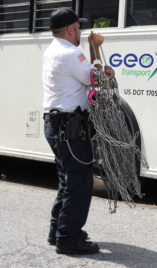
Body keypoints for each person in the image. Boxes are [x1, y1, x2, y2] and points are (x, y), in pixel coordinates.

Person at [43, 7, 103, 254]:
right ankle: (68, 238)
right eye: (79, 27)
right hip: (71, 127)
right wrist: (95, 48)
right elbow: (96, 78)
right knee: (79, 181)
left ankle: (58, 230)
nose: (82, 31)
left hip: (57, 125)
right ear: (71, 29)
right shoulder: (70, 53)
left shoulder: (52, 49)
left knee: (67, 180)